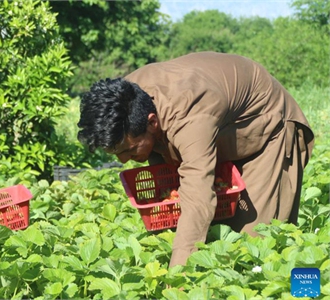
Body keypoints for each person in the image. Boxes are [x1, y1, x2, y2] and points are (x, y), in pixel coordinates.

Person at [77, 52, 314, 267]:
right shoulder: (123, 101)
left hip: (266, 127)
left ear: (152, 122)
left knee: (252, 246)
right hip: (219, 128)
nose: (124, 160)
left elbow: (199, 195)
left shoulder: (191, 112)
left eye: (129, 150)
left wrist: (177, 277)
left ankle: (300, 286)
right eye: (115, 153)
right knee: (190, 231)